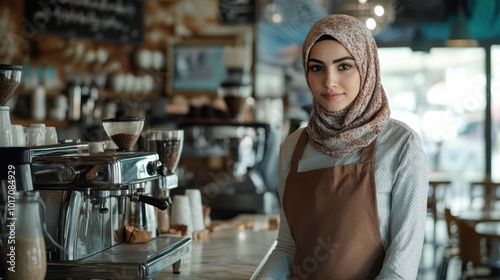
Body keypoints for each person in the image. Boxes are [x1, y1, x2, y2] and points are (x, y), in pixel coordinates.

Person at [254, 14, 429, 279]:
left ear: (366, 67)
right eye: (317, 68)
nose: (329, 82)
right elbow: (288, 248)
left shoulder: (401, 145)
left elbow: (400, 265)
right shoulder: (293, 147)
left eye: (344, 66)